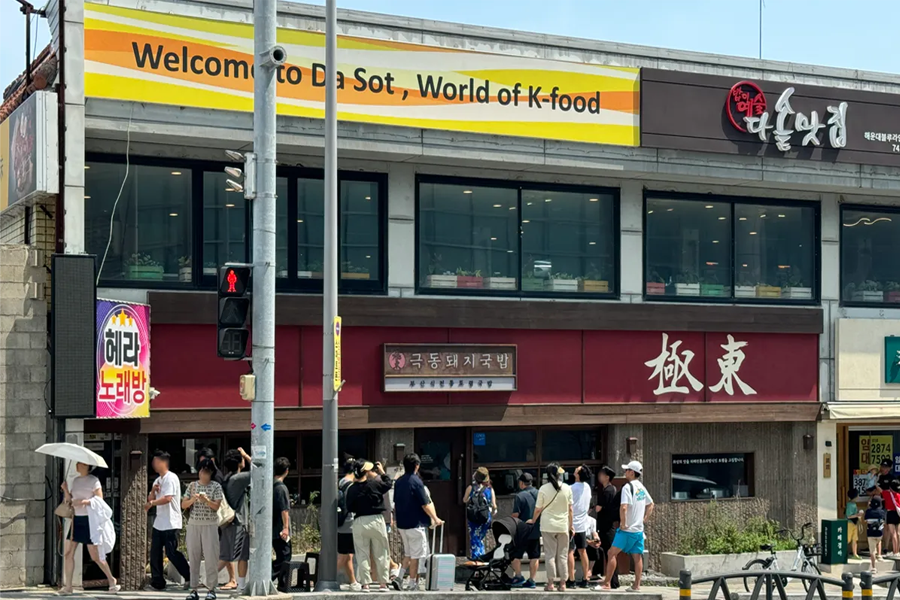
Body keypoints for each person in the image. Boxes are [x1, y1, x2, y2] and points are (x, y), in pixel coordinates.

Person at [61, 462, 119, 595]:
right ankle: (68, 586)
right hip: (77, 519)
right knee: (68, 553)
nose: (77, 465)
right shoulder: (75, 481)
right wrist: (65, 489)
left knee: (96, 556)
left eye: (80, 463)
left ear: (86, 466)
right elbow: (69, 501)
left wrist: (83, 502)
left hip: (90, 520)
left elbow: (100, 501)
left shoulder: (94, 481)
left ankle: (111, 580)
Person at [596, 460, 653, 592]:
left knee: (611, 553)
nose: (625, 472)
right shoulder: (641, 487)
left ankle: (607, 583)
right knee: (637, 556)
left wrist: (623, 523)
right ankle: (636, 585)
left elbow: (624, 507)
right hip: (638, 530)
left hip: (627, 530)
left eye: (627, 470)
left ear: (632, 472)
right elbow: (651, 504)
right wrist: (644, 519)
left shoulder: (628, 487)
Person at [393, 453, 443, 591]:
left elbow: (396, 502)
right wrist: (436, 518)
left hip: (402, 523)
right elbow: (425, 504)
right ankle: (412, 583)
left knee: (408, 553)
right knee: (416, 555)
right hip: (416, 524)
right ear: (417, 466)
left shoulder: (398, 481)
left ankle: (399, 577)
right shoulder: (417, 482)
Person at [146, 450, 191, 591]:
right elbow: (150, 499)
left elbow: (168, 498)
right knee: (155, 553)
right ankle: (158, 582)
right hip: (159, 523)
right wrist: (153, 491)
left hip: (171, 522)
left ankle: (189, 577)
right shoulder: (158, 480)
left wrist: (152, 503)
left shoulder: (171, 478)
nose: (153, 464)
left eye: (155, 461)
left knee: (172, 552)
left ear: (163, 462)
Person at [346, 460, 393, 592]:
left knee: (362, 554)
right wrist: (383, 473)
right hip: (376, 519)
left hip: (359, 520)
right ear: (365, 472)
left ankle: (365, 584)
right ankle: (383, 583)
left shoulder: (352, 489)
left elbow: (349, 507)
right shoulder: (375, 484)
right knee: (382, 552)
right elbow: (388, 484)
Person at [182, 459, 223, 600]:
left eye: (206, 471)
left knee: (211, 557)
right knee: (193, 557)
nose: (203, 474)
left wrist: (206, 501)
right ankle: (193, 589)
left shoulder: (216, 486)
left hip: (210, 525)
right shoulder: (192, 486)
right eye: (201, 471)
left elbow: (216, 506)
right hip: (194, 525)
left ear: (211, 473)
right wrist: (193, 499)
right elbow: (183, 504)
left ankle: (211, 589)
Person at [529, 463, 573, 592]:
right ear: (559, 474)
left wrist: (533, 520)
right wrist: (571, 526)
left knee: (550, 555)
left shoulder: (543, 488)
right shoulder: (567, 488)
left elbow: (538, 509)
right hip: (563, 525)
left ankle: (550, 583)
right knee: (562, 555)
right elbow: (570, 510)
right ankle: (563, 584)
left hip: (548, 525)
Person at [218, 447, 252, 591]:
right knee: (234, 555)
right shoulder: (239, 478)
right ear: (239, 462)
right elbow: (262, 471)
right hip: (238, 521)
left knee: (233, 555)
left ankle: (241, 585)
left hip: (229, 522)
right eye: (242, 459)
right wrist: (245, 454)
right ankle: (206, 579)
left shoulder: (227, 478)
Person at [510, 472, 540, 589]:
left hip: (522, 531)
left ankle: (518, 576)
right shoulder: (539, 494)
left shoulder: (519, 496)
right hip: (536, 530)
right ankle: (532, 580)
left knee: (515, 555)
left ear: (521, 483)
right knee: (534, 556)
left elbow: (515, 515)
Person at [593, 466, 620, 589]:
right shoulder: (607, 489)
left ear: (607, 477)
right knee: (608, 553)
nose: (599, 477)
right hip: (606, 525)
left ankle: (612, 581)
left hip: (608, 526)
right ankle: (611, 580)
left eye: (601, 475)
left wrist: (600, 507)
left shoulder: (609, 490)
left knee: (611, 553)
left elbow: (606, 507)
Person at [463, 467, 497, 559]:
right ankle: (481, 557)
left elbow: (464, 500)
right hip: (485, 517)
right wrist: (493, 511)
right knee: (480, 538)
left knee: (475, 539)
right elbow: (494, 505)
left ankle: (478, 559)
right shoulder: (489, 489)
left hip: (474, 517)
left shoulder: (471, 488)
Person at [568, 465, 593, 588]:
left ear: (578, 474)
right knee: (583, 551)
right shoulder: (587, 487)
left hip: (571, 523)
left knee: (570, 552)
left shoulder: (570, 488)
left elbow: (569, 507)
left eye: (577, 469)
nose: (575, 470)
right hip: (583, 523)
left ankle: (571, 580)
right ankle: (585, 579)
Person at [338, 459, 360, 592]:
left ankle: (353, 581)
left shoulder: (340, 482)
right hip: (349, 523)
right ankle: (328, 580)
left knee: (348, 554)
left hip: (341, 522)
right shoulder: (351, 485)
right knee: (344, 554)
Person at [272, 458, 292, 593]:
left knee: (282, 555)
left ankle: (281, 582)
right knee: (285, 556)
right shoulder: (281, 488)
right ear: (286, 471)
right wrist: (286, 528)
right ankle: (275, 578)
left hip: (273, 527)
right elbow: (284, 510)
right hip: (280, 528)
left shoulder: (272, 486)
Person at [866, 496, 887, 573]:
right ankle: (879, 555)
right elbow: (884, 521)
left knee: (872, 551)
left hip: (870, 533)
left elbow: (866, 521)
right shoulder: (882, 512)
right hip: (879, 533)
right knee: (879, 541)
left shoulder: (868, 512)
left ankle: (874, 567)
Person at [846, 489, 863, 560]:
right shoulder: (850, 505)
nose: (858, 496)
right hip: (849, 523)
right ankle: (844, 553)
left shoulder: (854, 504)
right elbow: (848, 516)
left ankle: (855, 553)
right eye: (857, 495)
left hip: (854, 523)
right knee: (847, 539)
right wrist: (857, 515)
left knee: (855, 539)